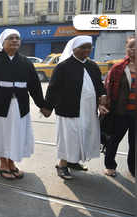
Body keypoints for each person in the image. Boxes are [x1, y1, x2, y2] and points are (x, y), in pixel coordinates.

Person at [0, 29, 47, 180]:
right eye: (11, 38)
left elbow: (34, 86)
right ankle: (3, 163)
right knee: (2, 135)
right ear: (3, 42)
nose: (15, 40)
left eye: (17, 38)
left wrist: (42, 105)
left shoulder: (26, 62)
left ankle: (12, 162)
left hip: (19, 107)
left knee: (16, 135)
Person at [43, 35, 108, 180]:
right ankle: (62, 165)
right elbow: (53, 89)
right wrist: (47, 107)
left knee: (83, 137)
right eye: (82, 47)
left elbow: (99, 86)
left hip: (88, 110)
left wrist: (103, 98)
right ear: (74, 48)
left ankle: (73, 162)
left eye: (88, 47)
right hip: (68, 110)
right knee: (69, 138)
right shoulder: (63, 66)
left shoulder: (93, 66)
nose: (86, 50)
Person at [103, 37, 135, 177]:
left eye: (135, 47)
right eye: (130, 47)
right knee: (114, 140)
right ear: (126, 49)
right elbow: (107, 88)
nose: (133, 50)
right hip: (121, 111)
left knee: (134, 143)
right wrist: (104, 106)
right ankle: (110, 165)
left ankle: (133, 168)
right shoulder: (118, 68)